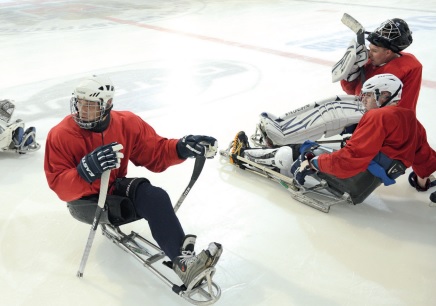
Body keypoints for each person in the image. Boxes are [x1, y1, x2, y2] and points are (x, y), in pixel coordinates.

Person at [44, 75, 222, 288]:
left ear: (108, 104)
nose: (83, 110)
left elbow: (155, 152)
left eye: (91, 106)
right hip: (83, 202)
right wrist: (84, 173)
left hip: (112, 191)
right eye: (80, 103)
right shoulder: (60, 135)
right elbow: (59, 185)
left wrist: (181, 148)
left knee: (155, 197)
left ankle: (184, 265)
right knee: (132, 197)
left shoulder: (126, 123)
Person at [229, 74, 436, 194]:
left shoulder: (378, 117)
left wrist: (314, 163)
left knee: (300, 150)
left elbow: (350, 160)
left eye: (367, 95)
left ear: (384, 95)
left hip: (353, 181)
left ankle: (244, 155)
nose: (362, 100)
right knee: (322, 149)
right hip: (367, 183)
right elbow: (425, 157)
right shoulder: (412, 121)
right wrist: (422, 182)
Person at [340, 18, 421, 112]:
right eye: (369, 48)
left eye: (374, 51)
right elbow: (353, 93)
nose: (369, 54)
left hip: (384, 122)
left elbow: (402, 110)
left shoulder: (406, 68)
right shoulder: (373, 60)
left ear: (388, 52)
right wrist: (350, 74)